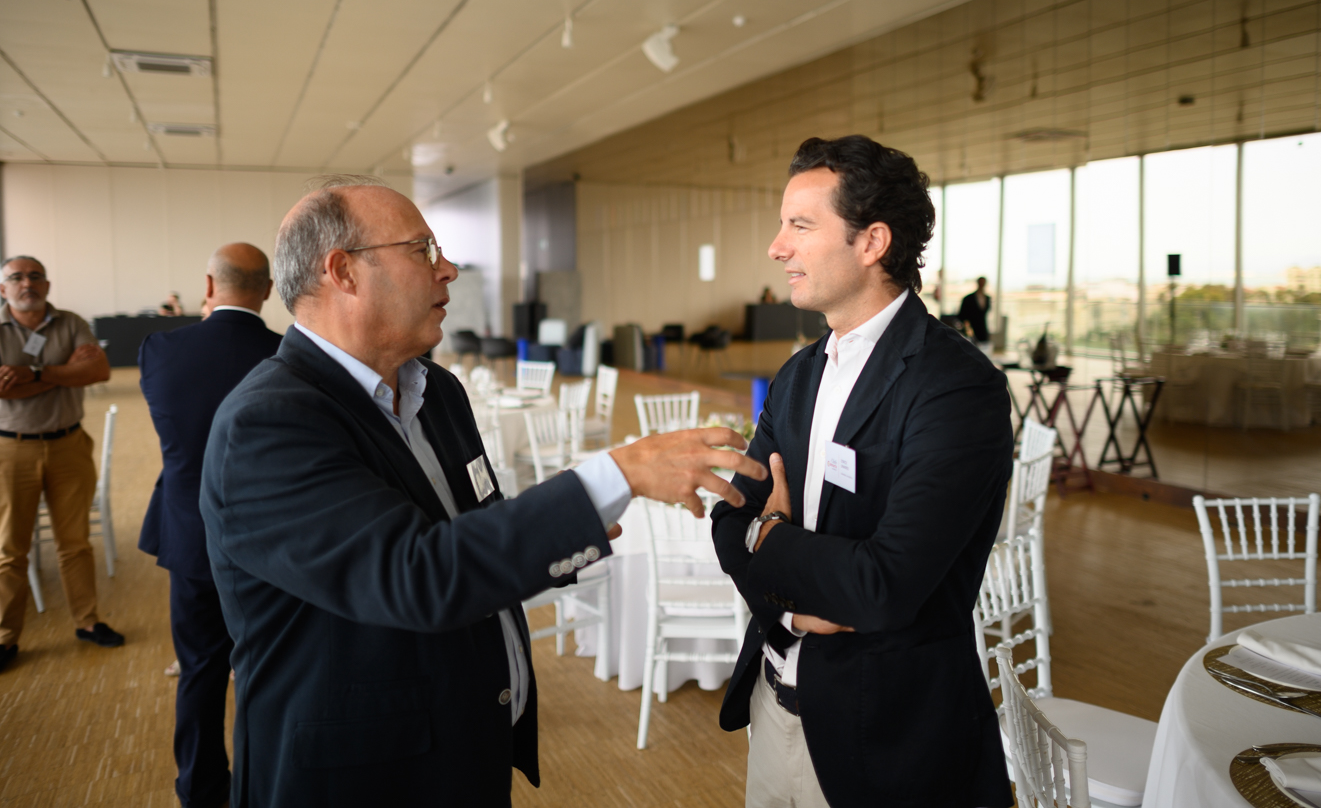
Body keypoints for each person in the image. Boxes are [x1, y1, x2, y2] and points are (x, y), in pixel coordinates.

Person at [199, 176, 767, 807]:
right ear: (344, 273)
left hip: (467, 752)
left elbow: (472, 527)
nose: (450, 269)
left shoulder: (434, 392)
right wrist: (616, 475)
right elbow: (417, 573)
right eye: (423, 250)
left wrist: (567, 524)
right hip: (361, 778)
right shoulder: (267, 424)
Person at [711, 136, 1014, 808]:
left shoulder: (956, 388)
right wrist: (782, 570)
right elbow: (729, 515)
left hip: (886, 738)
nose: (776, 246)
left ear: (872, 241)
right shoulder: (797, 374)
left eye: (800, 224)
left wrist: (772, 539)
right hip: (772, 704)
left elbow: (883, 584)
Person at [138, 243, 282, 808]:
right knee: (266, 671)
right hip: (272, 545)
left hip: (190, 535)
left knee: (199, 670)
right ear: (268, 290)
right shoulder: (288, 355)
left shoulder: (160, 350)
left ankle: (199, 789)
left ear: (207, 286)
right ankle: (264, 785)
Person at [0, 256, 120, 674]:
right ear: (4, 290)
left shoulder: (70, 323)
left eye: (35, 276)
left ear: (47, 285)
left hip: (69, 445)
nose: (26, 284)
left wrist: (31, 372)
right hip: (11, 452)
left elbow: (99, 369)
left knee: (75, 544)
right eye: (16, 278)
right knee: (10, 550)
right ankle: (5, 638)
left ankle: (87, 622)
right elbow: (4, 393)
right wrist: (66, 370)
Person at [958, 276, 993, 344]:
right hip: (971, 328)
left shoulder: (987, 298)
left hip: (983, 328)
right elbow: (962, 315)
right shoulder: (968, 298)